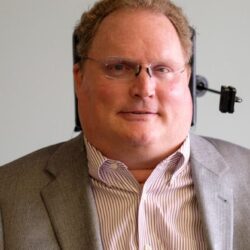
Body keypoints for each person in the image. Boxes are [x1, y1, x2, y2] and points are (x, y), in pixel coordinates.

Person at [0, 0, 250, 249]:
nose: (144, 89)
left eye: (162, 68)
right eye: (119, 67)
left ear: (188, 79)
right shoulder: (7, 196)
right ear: (80, 79)